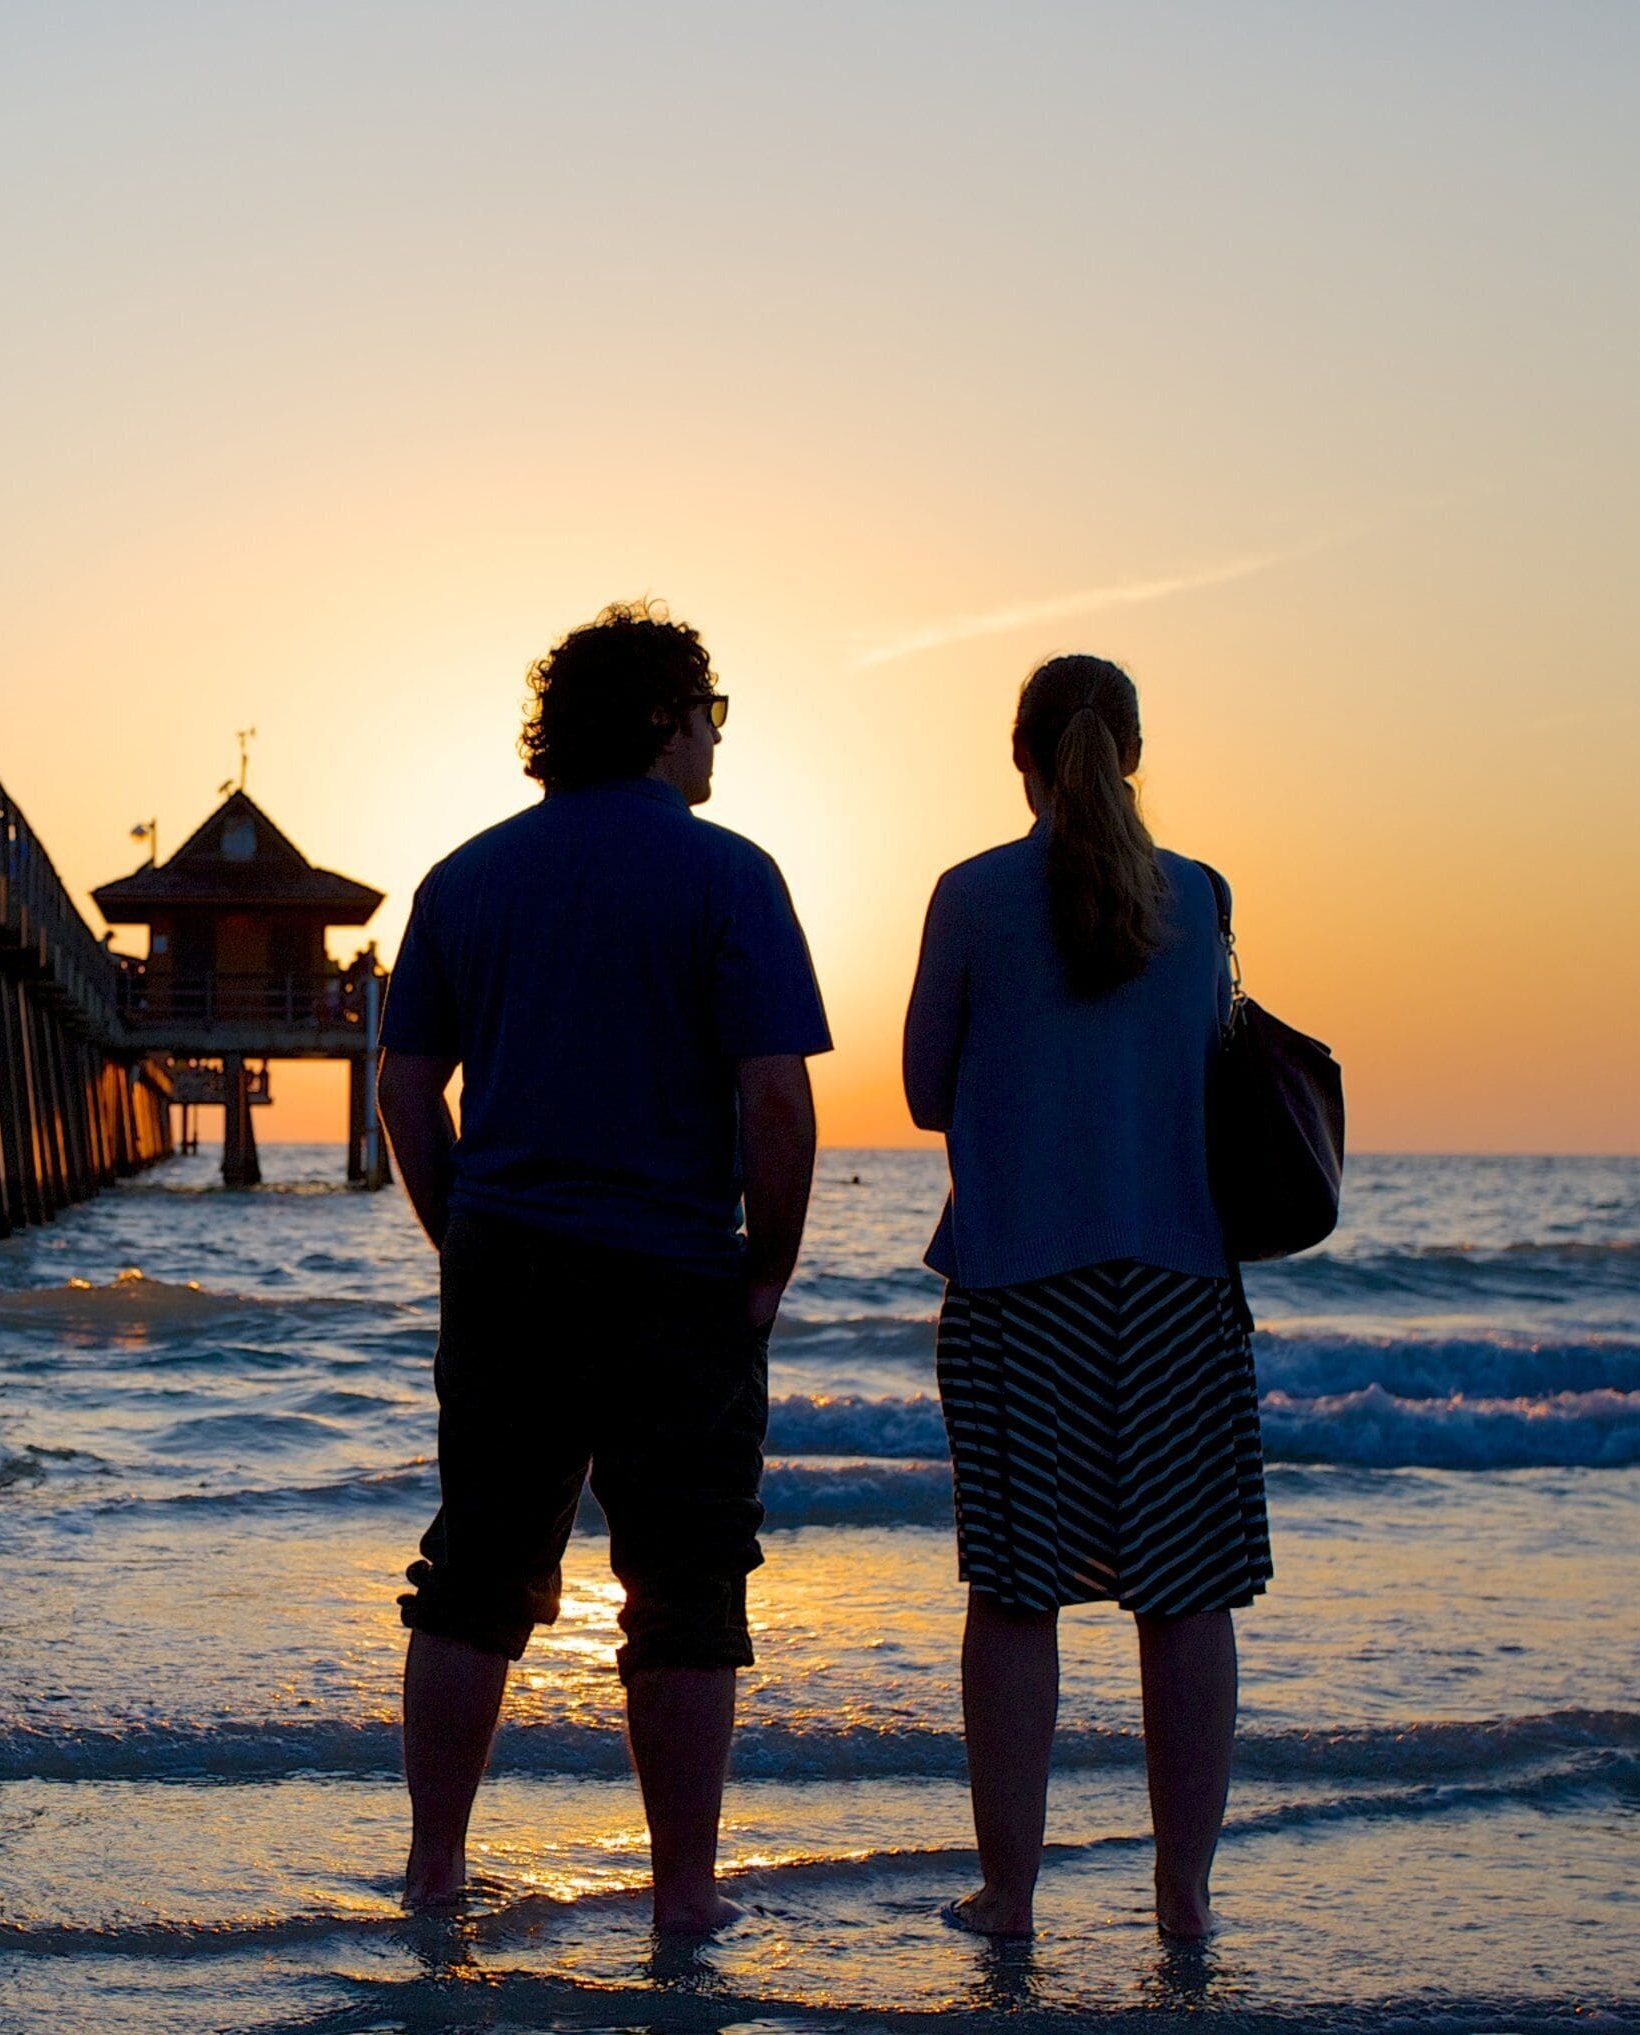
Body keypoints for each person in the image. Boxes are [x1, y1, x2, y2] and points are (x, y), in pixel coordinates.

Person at [374, 602, 830, 1934]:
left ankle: (435, 1870)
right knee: (685, 1585)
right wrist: (767, 1270)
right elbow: (777, 1107)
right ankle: (684, 1894)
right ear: (660, 722)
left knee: (475, 1571)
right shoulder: (728, 875)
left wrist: (463, 1233)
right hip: (677, 1271)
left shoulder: (464, 878)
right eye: (710, 717)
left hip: (511, 1259)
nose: (715, 744)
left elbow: (406, 1091)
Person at [901, 653, 1266, 1943]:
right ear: (1135, 753)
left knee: (1016, 1597)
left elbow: (924, 1093)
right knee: (1185, 1598)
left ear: (1021, 758)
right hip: (1178, 1284)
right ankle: (1184, 1899)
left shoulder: (971, 897)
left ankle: (1009, 1899)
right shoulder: (1205, 896)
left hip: (1017, 1286)